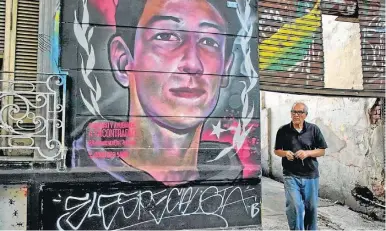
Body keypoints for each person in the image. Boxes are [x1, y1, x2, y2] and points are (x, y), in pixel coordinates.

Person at [72, 0, 257, 185]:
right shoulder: (82, 174)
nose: (192, 64)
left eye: (209, 41)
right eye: (166, 36)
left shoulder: (231, 182)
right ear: (123, 61)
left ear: (225, 70)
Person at [274, 102, 328, 230]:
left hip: (310, 175)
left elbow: (322, 150)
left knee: (312, 208)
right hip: (290, 174)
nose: (296, 115)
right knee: (295, 206)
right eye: (294, 112)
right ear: (291, 113)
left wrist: (307, 153)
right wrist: (285, 153)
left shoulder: (314, 129)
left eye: (300, 112)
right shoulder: (283, 130)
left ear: (305, 115)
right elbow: (276, 150)